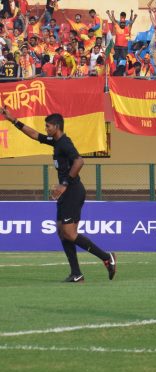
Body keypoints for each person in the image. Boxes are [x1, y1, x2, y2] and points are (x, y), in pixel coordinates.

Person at [2, 108, 116, 283]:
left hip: (72, 190)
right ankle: (76, 274)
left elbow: (79, 161)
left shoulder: (64, 143)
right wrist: (13, 120)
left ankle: (106, 257)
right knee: (62, 232)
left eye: (48, 126)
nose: (46, 129)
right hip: (68, 192)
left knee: (69, 233)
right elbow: (34, 135)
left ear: (56, 126)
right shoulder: (55, 141)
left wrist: (64, 184)